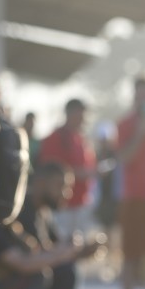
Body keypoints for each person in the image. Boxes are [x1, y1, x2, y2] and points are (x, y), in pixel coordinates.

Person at [114, 76, 145, 289]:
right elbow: (125, 158)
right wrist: (140, 134)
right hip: (133, 199)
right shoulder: (125, 124)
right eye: (139, 94)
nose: (143, 99)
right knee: (131, 256)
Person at [38, 99, 97, 238]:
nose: (83, 119)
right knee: (61, 246)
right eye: (80, 114)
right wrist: (82, 173)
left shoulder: (81, 139)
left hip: (81, 203)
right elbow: (49, 171)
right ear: (70, 114)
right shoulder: (56, 137)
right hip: (61, 206)